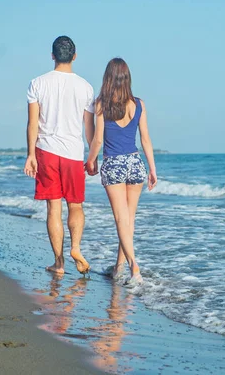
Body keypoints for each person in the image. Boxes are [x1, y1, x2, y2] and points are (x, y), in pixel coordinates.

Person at [24, 36, 96, 275]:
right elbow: (89, 129)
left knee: (54, 208)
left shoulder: (37, 83)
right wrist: (92, 156)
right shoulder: (86, 87)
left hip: (46, 151)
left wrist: (30, 154)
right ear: (74, 56)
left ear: (52, 55)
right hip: (74, 154)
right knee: (76, 205)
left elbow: (32, 123)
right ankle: (75, 247)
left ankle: (59, 262)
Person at [85, 57, 157, 284]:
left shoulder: (101, 105)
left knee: (120, 218)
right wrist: (152, 169)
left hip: (114, 164)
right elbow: (145, 139)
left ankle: (134, 268)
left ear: (108, 78)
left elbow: (97, 140)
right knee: (128, 219)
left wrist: (90, 161)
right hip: (136, 164)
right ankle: (118, 268)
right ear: (127, 78)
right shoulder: (139, 104)